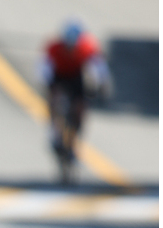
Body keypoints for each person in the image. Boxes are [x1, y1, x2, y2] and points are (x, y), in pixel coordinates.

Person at [38, 20, 111, 181]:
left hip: (76, 78)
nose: (70, 50)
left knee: (80, 109)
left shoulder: (87, 48)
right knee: (54, 100)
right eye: (67, 47)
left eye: (73, 47)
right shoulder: (54, 48)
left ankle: (73, 142)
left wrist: (101, 86)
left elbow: (99, 69)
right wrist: (47, 86)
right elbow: (44, 70)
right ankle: (55, 131)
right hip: (58, 77)